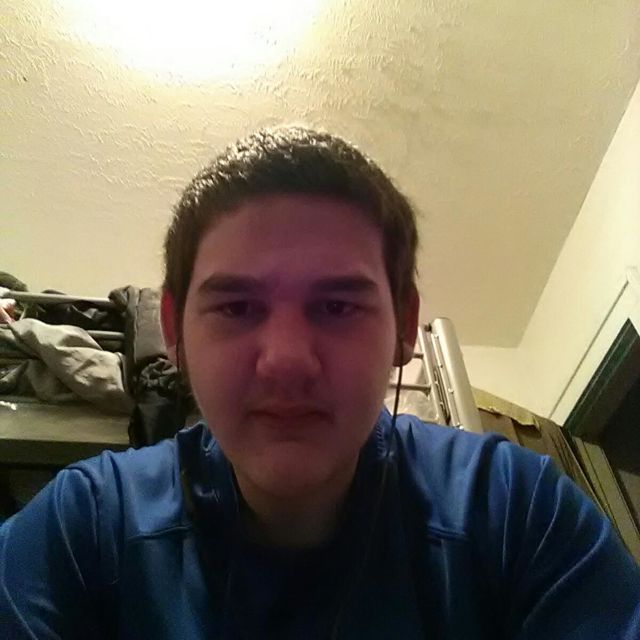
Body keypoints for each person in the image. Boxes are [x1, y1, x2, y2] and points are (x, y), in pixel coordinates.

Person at [1, 127, 639, 639]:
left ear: (404, 326)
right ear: (174, 330)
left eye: (337, 306)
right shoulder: (86, 525)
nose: (286, 360)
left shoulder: (516, 510)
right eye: (236, 307)